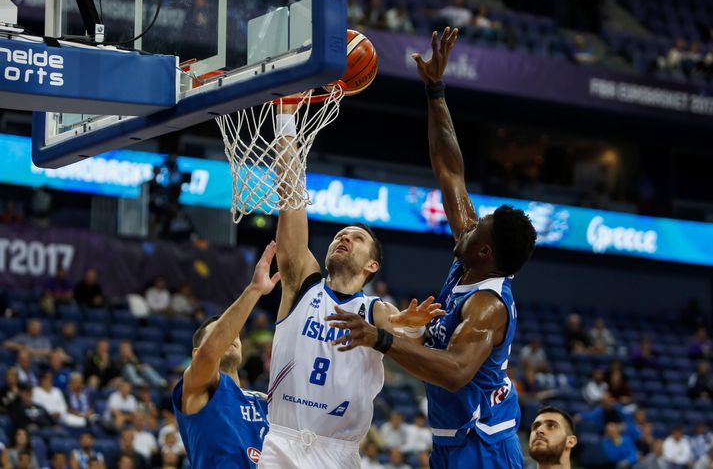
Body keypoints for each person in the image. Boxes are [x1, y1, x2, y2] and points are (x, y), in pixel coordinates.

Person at [327, 27, 537, 469]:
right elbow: (450, 171)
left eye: (475, 231)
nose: (465, 226)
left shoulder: (487, 306)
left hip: (483, 445)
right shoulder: (473, 255)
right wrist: (436, 91)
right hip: (454, 440)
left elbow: (457, 372)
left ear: (486, 254)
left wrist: (382, 338)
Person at [258, 101, 443, 469]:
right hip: (281, 444)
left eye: (356, 238)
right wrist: (286, 121)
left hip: (339, 454)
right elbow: (291, 198)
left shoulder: (376, 311)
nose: (344, 238)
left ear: (372, 264)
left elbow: (415, 348)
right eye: (340, 235)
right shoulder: (301, 284)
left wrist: (412, 329)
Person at [172, 242, 281, 468]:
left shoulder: (261, 400)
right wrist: (255, 290)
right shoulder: (197, 387)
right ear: (195, 353)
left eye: (236, 335)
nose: (232, 337)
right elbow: (209, 354)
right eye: (221, 333)